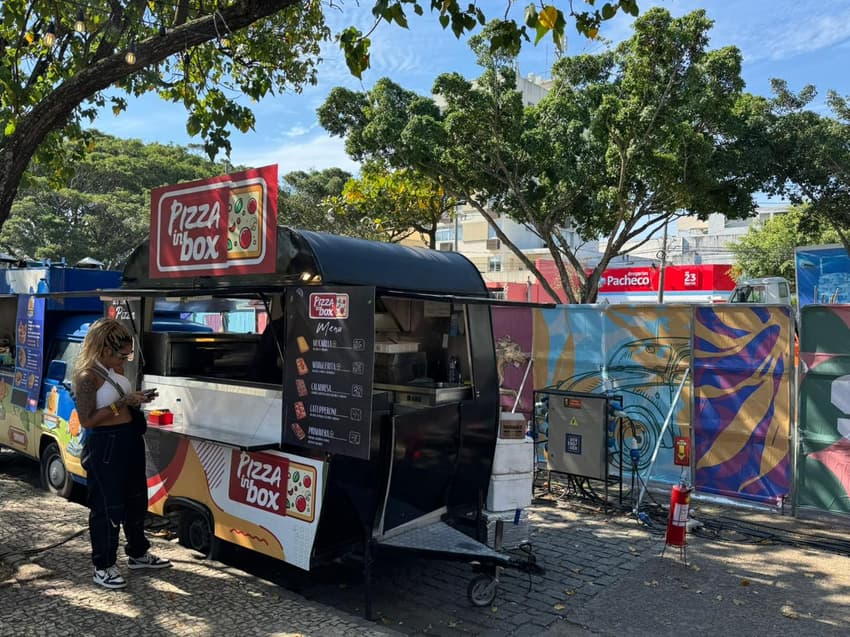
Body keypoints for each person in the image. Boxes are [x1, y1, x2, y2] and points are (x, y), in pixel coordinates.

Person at [75, 318, 172, 589]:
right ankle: (103, 565)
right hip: (105, 444)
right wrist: (121, 403)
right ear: (104, 349)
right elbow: (87, 419)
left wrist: (136, 399)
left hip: (129, 439)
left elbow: (120, 401)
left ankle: (138, 552)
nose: (125, 360)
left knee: (136, 500)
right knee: (108, 506)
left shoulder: (114, 370)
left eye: (128, 355)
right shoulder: (87, 376)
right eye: (121, 355)